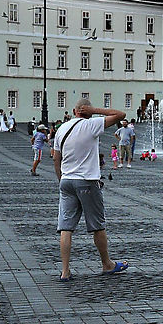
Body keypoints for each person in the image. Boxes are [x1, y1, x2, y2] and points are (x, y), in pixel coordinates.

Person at [53, 99, 127, 280]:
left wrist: (61, 179)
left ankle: (65, 271)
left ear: (74, 111)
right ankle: (107, 264)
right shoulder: (91, 125)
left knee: (66, 227)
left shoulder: (61, 129)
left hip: (66, 181)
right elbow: (120, 115)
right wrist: (95, 110)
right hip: (87, 181)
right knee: (97, 225)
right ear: (89, 112)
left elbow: (56, 158)